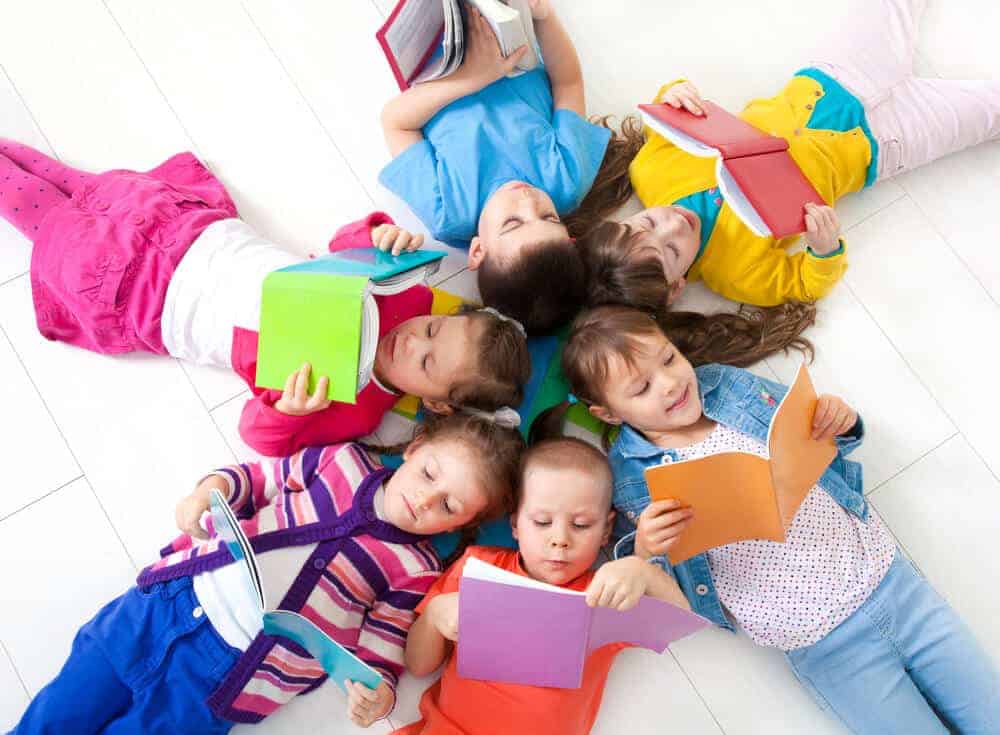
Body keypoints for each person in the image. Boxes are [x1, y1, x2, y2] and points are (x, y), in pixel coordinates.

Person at [554, 305, 999, 733]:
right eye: (641, 388)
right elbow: (667, 591)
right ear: (608, 413)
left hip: (893, 585)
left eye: (669, 358)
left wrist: (839, 422)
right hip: (826, 647)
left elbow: (819, 436)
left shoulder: (724, 386)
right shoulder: (631, 475)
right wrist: (647, 549)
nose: (670, 384)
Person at [0, 139, 530, 456]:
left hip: (150, 296)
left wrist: (289, 408)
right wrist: (378, 236)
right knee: (78, 183)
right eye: (435, 330)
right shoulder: (408, 297)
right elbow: (342, 248)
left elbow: (262, 439)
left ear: (435, 402)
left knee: (45, 218)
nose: (413, 342)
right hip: (191, 232)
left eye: (429, 362)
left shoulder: (357, 411)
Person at [10, 412, 525, 734]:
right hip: (166, 603)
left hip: (229, 673)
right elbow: (257, 481)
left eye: (448, 505)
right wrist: (206, 490)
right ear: (413, 449)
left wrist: (378, 693)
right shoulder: (340, 462)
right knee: (59, 712)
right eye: (428, 474)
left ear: (465, 522)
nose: (424, 499)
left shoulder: (416, 568)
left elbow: (383, 645)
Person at [577, 0, 1000, 314]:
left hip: (831, 79)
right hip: (883, 144)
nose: (672, 224)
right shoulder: (737, 274)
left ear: (625, 218)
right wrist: (824, 248)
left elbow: (664, 117)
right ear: (676, 287)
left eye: (649, 222)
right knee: (989, 111)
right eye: (672, 251)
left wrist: (674, 95)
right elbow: (805, 284)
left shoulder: (650, 170)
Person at [394, 436, 690, 735]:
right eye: (542, 521)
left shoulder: (603, 594)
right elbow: (418, 666)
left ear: (606, 530)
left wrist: (643, 569)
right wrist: (434, 614)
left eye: (581, 525)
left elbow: (679, 624)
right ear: (515, 524)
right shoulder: (477, 567)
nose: (560, 539)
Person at [379, 0, 630, 333]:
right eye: (549, 217)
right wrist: (545, 17)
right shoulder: (567, 179)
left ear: (478, 250)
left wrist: (473, 78)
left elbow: (395, 122)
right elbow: (568, 83)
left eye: (512, 223)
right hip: (509, 27)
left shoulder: (447, 212)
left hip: (440, 52)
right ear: (568, 236)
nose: (528, 200)